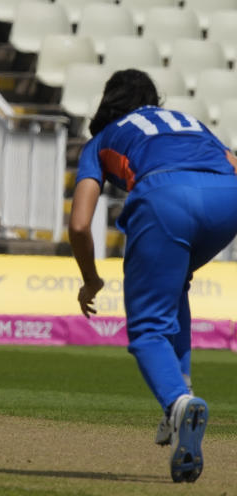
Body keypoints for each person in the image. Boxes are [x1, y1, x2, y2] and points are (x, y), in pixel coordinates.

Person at [69, 68, 237, 483]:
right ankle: (176, 402)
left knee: (146, 328)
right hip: (227, 200)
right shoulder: (188, 123)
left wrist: (90, 279)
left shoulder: (102, 140)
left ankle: (178, 402)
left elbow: (78, 225)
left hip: (166, 199)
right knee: (173, 284)